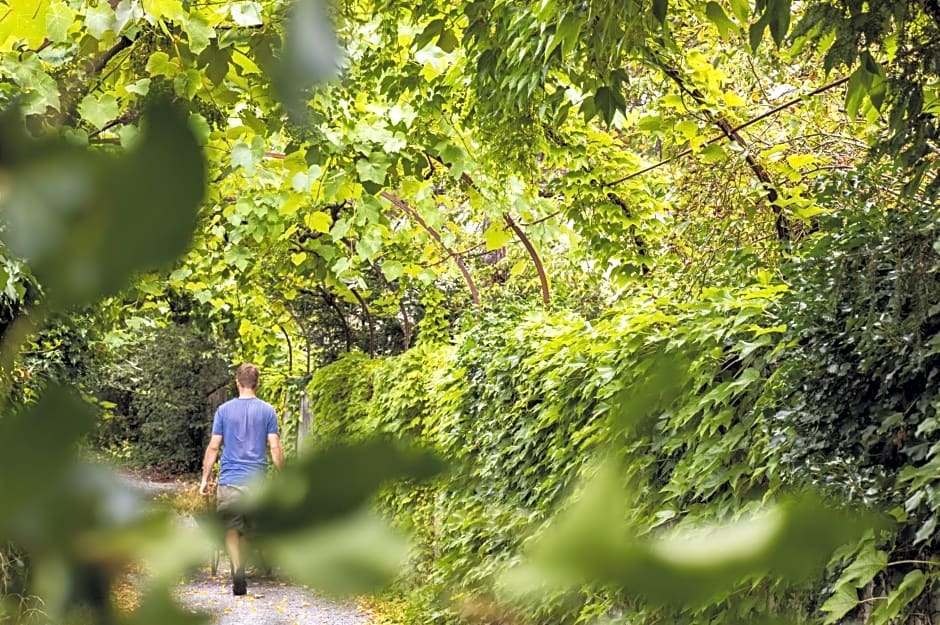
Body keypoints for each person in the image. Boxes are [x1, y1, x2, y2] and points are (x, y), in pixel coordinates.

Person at [199, 363, 284, 596]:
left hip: (229, 479)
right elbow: (275, 447)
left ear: (237, 382)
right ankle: (241, 568)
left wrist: (205, 479)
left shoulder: (224, 411)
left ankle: (237, 570)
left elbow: (214, 446)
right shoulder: (268, 411)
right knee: (247, 528)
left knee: (231, 527)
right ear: (257, 383)